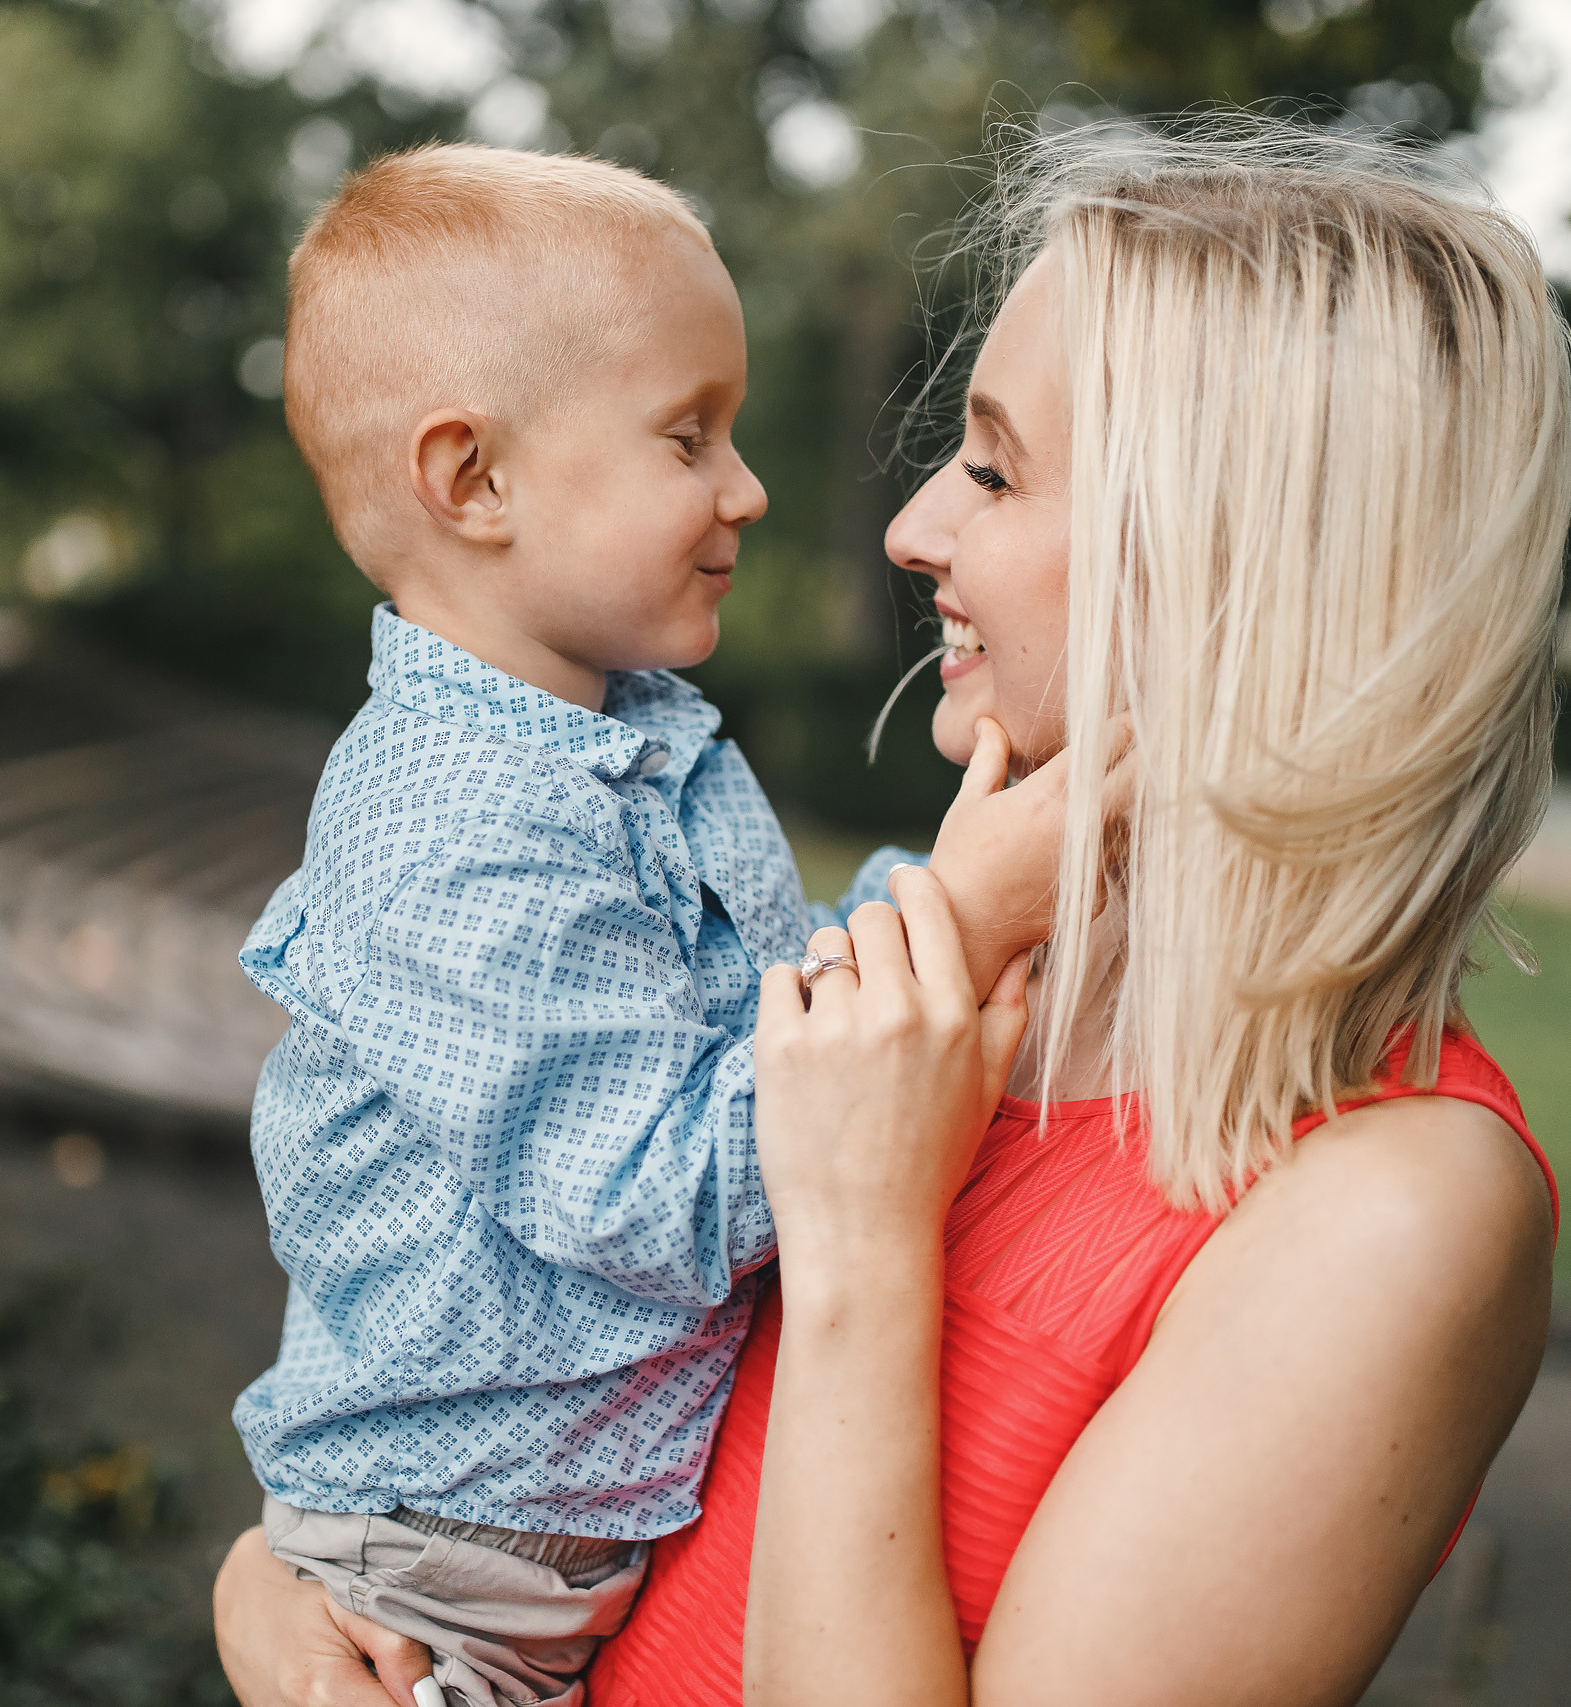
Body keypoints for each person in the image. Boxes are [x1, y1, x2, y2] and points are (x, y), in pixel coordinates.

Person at [218, 117, 1571, 1707]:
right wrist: (279, 1589)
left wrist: (860, 1239)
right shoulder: (962, 983)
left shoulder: (1390, 1218)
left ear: (1244, 564)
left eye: (993, 469)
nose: (911, 526)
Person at [229, 143, 1067, 1707]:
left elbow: (774, 1001)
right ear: (472, 481)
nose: (746, 489)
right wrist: (955, 919)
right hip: (443, 1588)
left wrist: (950, 887)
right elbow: (655, 1196)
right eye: (690, 436)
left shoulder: (641, 737)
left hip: (551, 1557)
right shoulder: (445, 826)